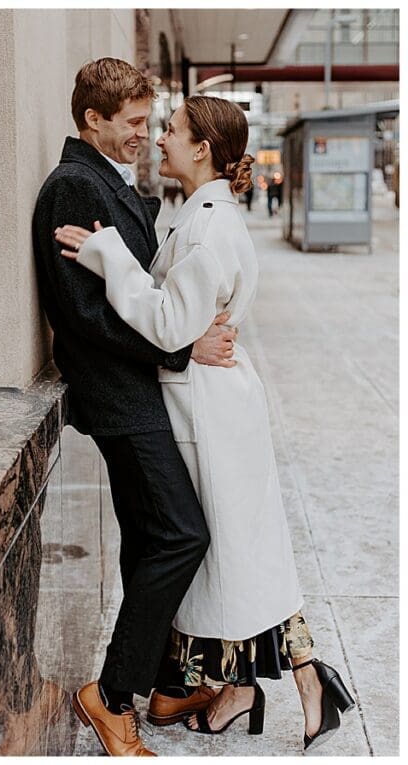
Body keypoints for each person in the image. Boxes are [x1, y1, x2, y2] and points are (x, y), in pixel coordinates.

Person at [54, 95, 355, 754]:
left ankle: (293, 681)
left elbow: (165, 321)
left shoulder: (209, 227)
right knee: (234, 552)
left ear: (203, 151)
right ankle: (255, 687)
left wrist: (107, 254)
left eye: (172, 130)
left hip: (209, 413)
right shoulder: (191, 213)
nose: (160, 138)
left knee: (232, 555)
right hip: (207, 402)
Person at [31, 57, 237, 757]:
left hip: (134, 392)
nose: (145, 136)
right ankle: (113, 695)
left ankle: (165, 681)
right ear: (92, 118)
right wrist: (182, 351)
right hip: (120, 398)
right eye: (134, 123)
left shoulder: (102, 181)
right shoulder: (72, 187)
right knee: (183, 535)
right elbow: (85, 314)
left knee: (156, 540)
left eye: (152, 123)